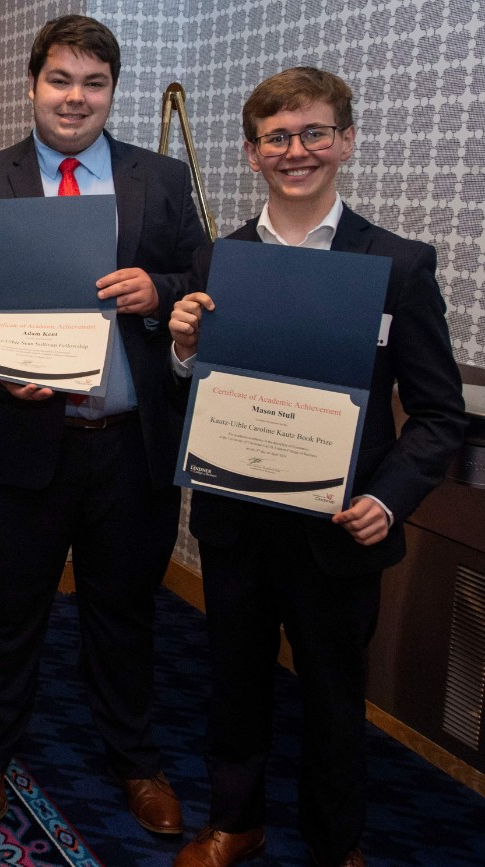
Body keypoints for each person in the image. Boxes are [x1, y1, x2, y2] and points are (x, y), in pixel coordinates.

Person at [168, 67, 466, 867]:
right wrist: (185, 348)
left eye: (314, 133)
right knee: (233, 679)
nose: (296, 150)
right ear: (252, 153)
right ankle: (237, 820)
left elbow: (440, 413)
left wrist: (390, 498)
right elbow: (206, 386)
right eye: (277, 137)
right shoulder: (220, 259)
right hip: (237, 523)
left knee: (334, 695)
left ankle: (337, 843)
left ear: (346, 141)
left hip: (342, 530)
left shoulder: (396, 265)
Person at [0, 14, 207, 832]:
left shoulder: (158, 179)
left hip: (129, 445)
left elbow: (200, 276)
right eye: (60, 79)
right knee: (7, 606)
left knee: (124, 609)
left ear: (111, 93)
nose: (75, 97)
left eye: (94, 83)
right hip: (22, 441)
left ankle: (136, 762)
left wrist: (158, 291)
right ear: (33, 84)